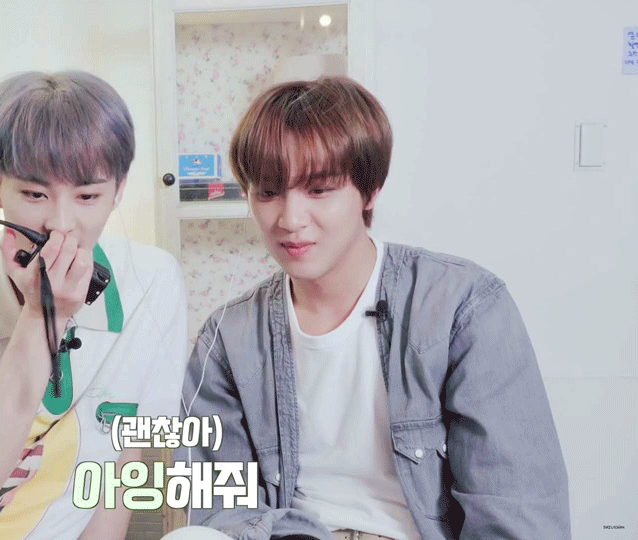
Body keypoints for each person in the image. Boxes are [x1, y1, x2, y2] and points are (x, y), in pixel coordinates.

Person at [178, 77, 570, 540]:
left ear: (370, 191)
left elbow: (516, 512)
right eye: (267, 192)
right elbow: (213, 504)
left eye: (318, 190)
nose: (290, 219)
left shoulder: (462, 307)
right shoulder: (228, 335)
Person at [0, 71, 188, 540]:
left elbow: (122, 459)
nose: (60, 224)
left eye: (87, 196)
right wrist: (43, 315)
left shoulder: (151, 281)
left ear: (119, 189)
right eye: (34, 194)